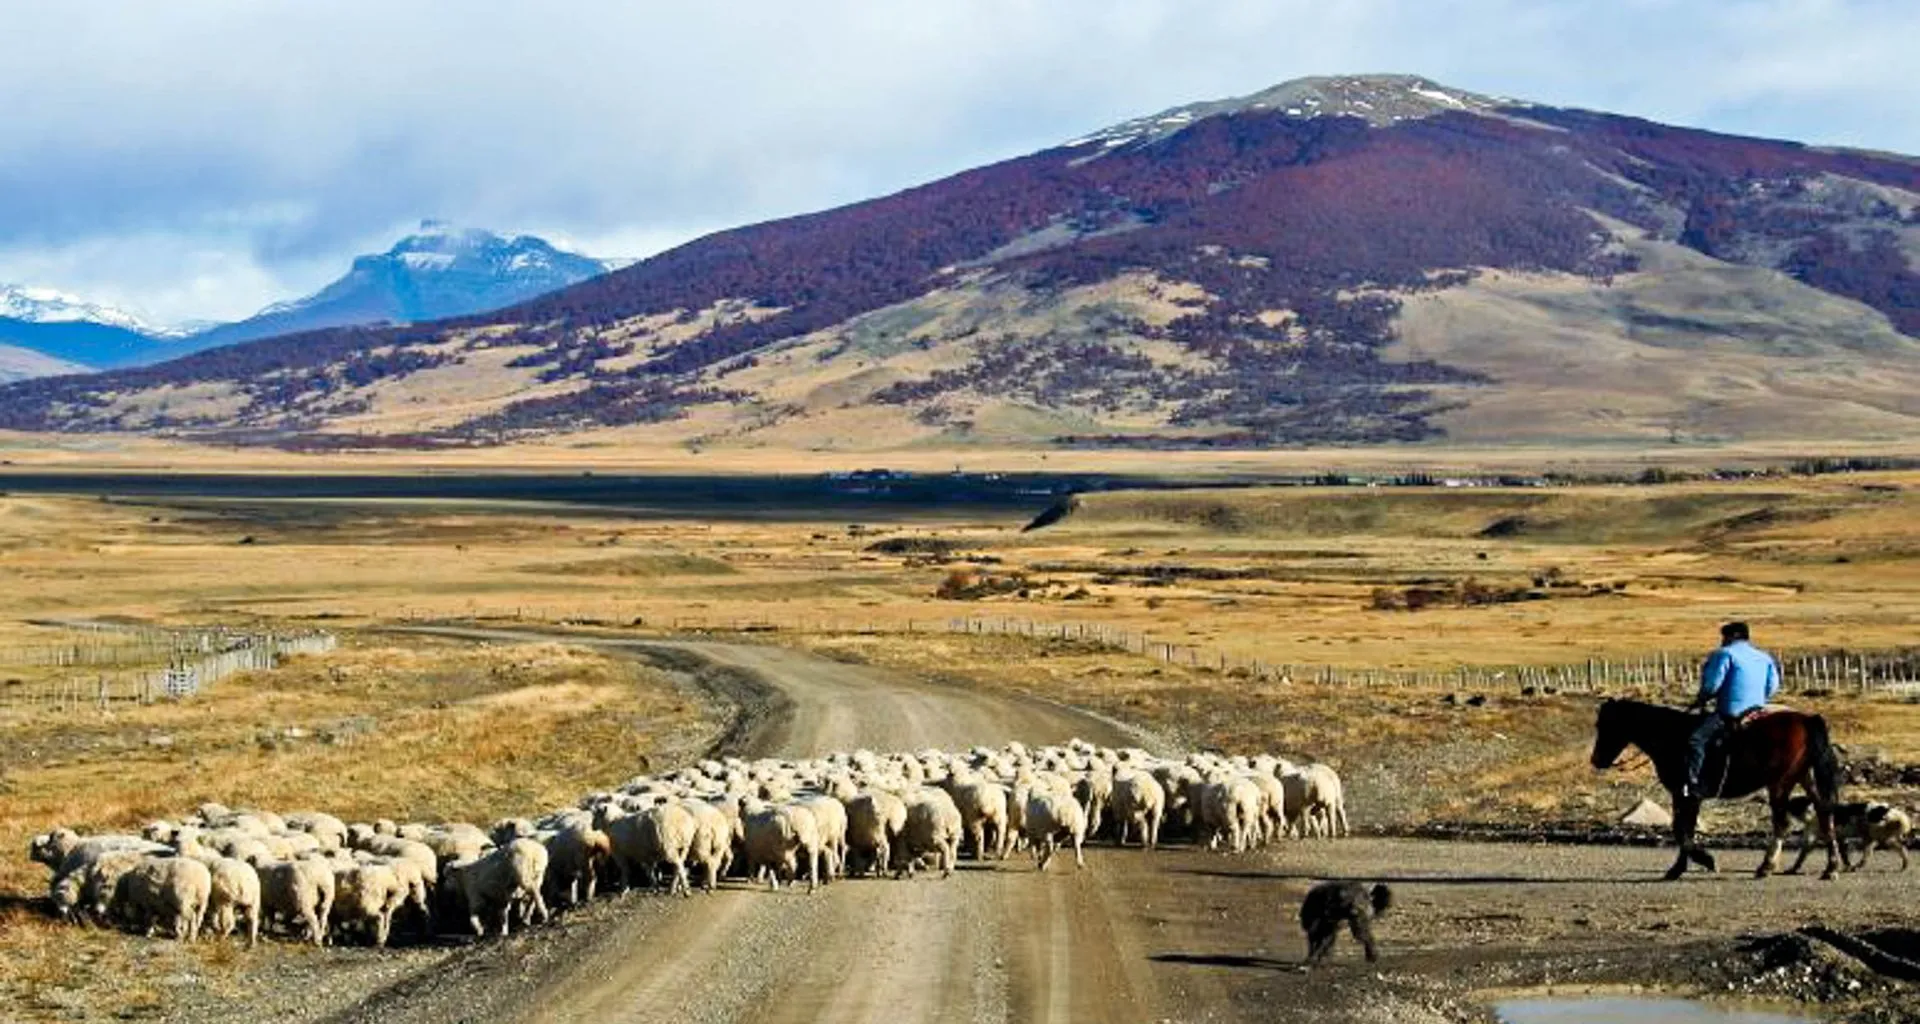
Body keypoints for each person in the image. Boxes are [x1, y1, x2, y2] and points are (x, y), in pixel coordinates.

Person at [1683, 621, 1781, 798]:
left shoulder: (1725, 654)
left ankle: (1694, 783)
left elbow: (1712, 685)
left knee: (1695, 740)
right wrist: (1759, 697)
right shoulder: (1764, 656)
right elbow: (1773, 686)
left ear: (1731, 637)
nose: (1722, 641)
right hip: (1757, 710)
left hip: (1731, 712)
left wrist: (1701, 699)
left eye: (1724, 637)